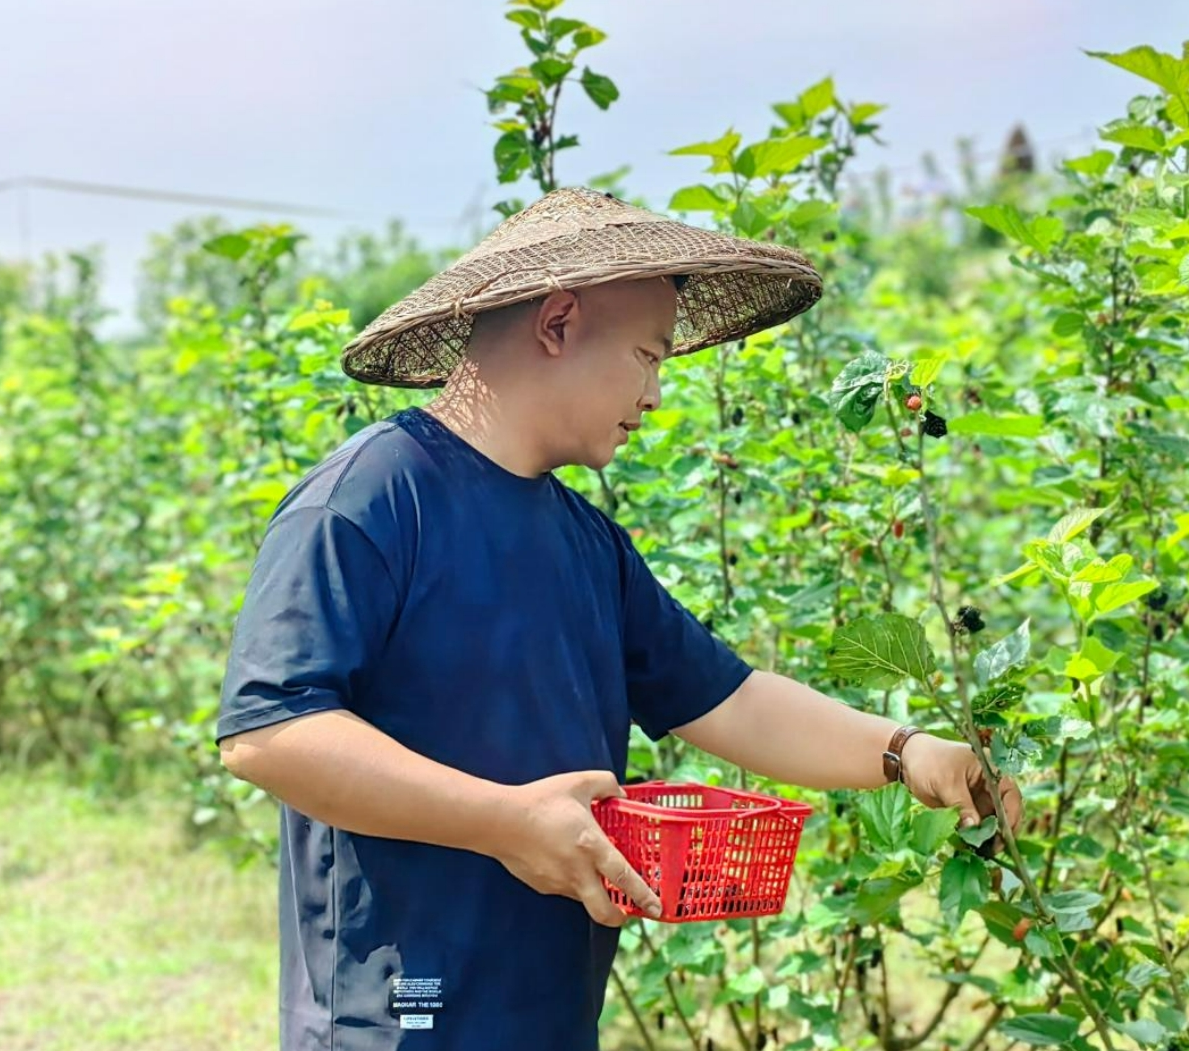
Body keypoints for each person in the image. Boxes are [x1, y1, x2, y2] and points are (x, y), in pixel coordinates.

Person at [215, 187, 1023, 1051]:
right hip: (397, 1015)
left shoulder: (585, 542)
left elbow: (730, 699)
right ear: (557, 322)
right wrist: (505, 821)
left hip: (549, 1008)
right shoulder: (374, 498)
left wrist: (907, 754)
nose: (655, 391)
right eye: (647, 354)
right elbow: (271, 732)